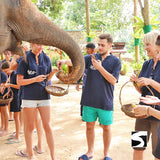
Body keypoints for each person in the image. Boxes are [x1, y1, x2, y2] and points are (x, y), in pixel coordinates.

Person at [57, 33, 121, 160]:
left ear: (110, 45)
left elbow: (113, 80)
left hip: (105, 101)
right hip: (89, 100)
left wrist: (100, 68)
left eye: (103, 45)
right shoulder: (91, 57)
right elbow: (77, 62)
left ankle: (106, 154)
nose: (100, 47)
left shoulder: (115, 61)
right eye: (99, 45)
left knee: (106, 128)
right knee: (89, 126)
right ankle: (90, 152)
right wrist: (64, 61)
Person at [16, 43, 58, 160]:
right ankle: (31, 156)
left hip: (44, 96)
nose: (40, 47)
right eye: (38, 45)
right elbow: (19, 81)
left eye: (42, 45)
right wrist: (34, 79)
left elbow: (47, 78)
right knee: (29, 127)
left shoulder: (46, 58)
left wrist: (52, 73)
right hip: (29, 97)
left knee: (48, 126)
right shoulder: (25, 58)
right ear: (31, 44)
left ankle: (53, 157)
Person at [130, 30, 160, 160]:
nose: (145, 48)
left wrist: (151, 82)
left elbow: (151, 84)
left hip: (157, 115)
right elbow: (143, 91)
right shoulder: (146, 64)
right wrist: (136, 83)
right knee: (138, 146)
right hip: (142, 112)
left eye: (148, 44)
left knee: (157, 152)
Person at [1, 61, 21, 143]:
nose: (6, 73)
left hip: (17, 98)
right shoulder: (11, 74)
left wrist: (9, 85)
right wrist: (7, 93)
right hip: (13, 97)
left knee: (16, 118)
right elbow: (12, 87)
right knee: (16, 117)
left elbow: (19, 86)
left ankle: (18, 136)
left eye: (6, 71)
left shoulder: (16, 74)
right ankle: (16, 133)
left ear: (10, 68)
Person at [76, 42, 96, 117]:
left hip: (95, 85)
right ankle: (82, 115)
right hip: (86, 83)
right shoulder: (85, 59)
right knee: (84, 99)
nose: (87, 51)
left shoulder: (99, 59)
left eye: (88, 49)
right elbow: (81, 71)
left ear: (93, 50)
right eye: (87, 49)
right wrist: (78, 83)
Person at [0, 70, 9, 137]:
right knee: (2, 112)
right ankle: (2, 126)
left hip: (3, 96)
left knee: (4, 112)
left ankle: (6, 129)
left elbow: (3, 86)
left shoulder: (2, 74)